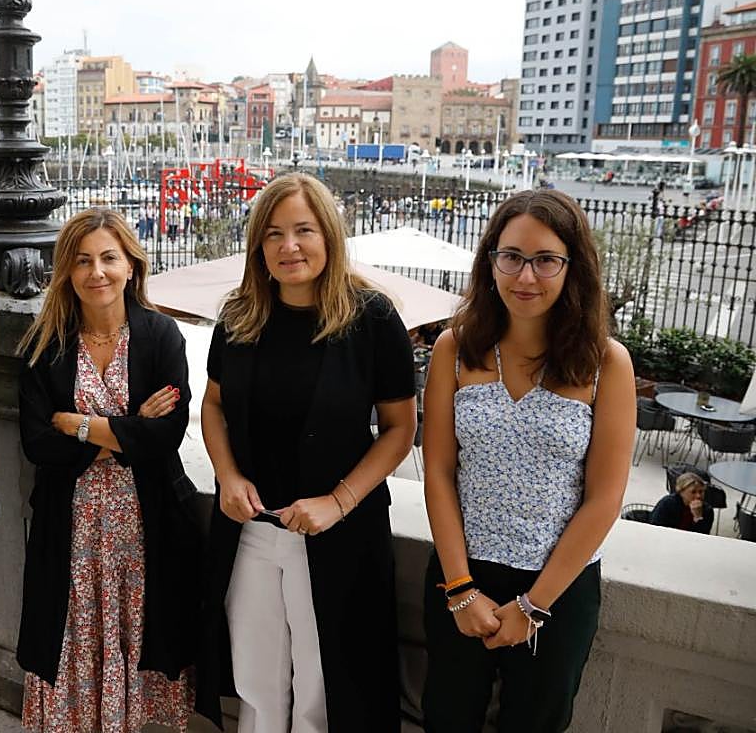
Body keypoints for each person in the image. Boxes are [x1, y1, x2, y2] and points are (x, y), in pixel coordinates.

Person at [197, 173, 418, 732]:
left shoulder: (373, 318)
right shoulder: (240, 315)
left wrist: (337, 502)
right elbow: (214, 406)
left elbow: (400, 428)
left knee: (328, 691)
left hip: (337, 534)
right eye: (273, 233)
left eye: (303, 230)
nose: (288, 246)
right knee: (255, 683)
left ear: (329, 236)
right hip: (252, 529)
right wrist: (225, 474)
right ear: (258, 246)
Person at [421, 189, 636, 733]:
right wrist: (461, 590)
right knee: (447, 720)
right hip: (460, 579)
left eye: (546, 260)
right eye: (511, 256)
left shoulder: (606, 363)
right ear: (491, 260)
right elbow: (439, 474)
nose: (525, 276)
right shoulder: (455, 348)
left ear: (572, 268)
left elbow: (604, 499)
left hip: (556, 589)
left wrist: (533, 607)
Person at [16, 208, 200, 733]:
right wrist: (127, 427)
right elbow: (35, 444)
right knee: (69, 636)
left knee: (141, 636)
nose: (97, 272)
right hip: (69, 533)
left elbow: (165, 437)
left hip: (145, 530)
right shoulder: (45, 345)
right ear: (66, 272)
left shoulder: (162, 336)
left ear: (131, 265)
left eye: (108, 258)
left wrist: (79, 426)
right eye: (82, 261)